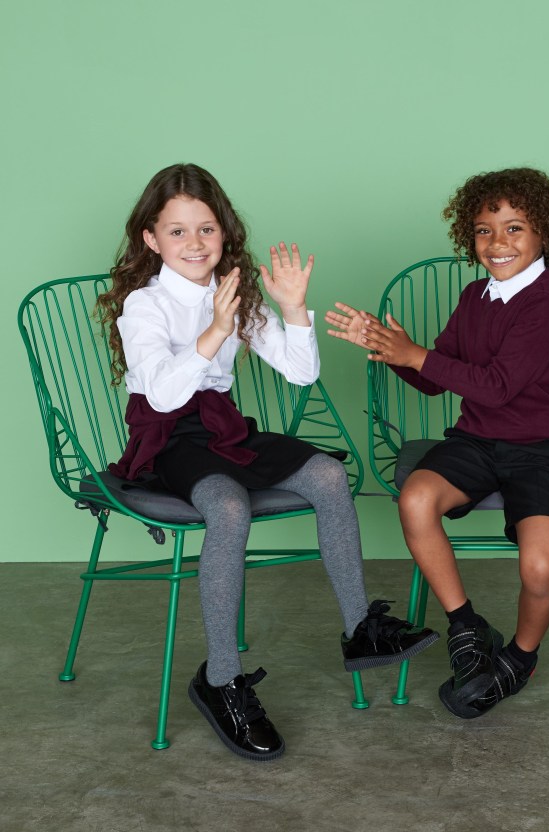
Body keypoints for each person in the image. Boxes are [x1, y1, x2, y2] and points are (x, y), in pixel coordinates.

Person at [99, 163, 438, 761]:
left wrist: (293, 308)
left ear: (224, 233)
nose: (195, 243)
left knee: (330, 477)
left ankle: (362, 630)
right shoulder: (143, 306)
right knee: (229, 509)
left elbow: (300, 372)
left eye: (206, 229)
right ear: (150, 240)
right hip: (169, 437)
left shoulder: (232, 291)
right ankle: (222, 678)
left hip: (225, 428)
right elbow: (160, 396)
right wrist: (213, 332)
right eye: (177, 232)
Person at [325, 167, 549, 720]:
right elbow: (437, 376)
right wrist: (389, 349)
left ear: (546, 235)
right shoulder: (475, 297)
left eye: (515, 228)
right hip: (477, 441)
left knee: (540, 568)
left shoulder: (547, 303)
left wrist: (416, 352)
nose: (498, 243)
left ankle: (520, 655)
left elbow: (497, 387)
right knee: (415, 498)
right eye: (485, 230)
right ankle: (465, 622)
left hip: (541, 448)